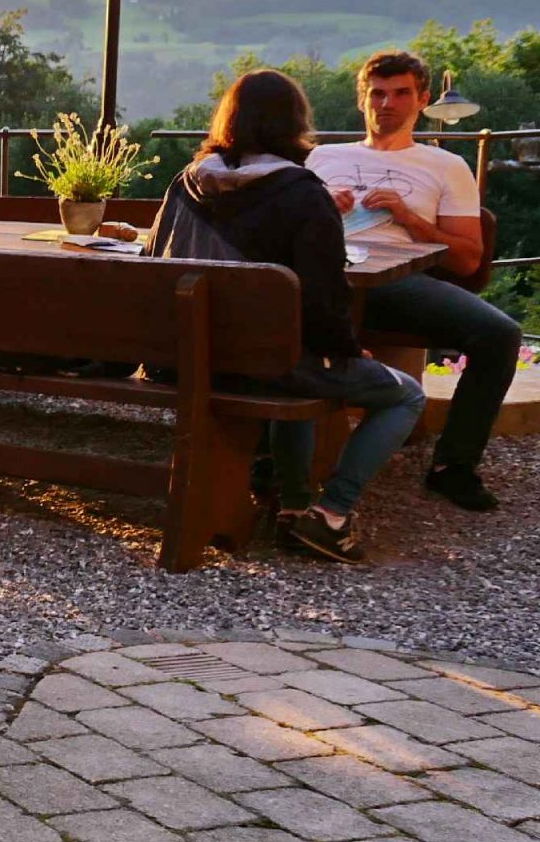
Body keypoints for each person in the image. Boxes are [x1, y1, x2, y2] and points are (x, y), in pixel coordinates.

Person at [145, 70, 425, 563]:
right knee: (404, 395)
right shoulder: (303, 193)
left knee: (296, 361)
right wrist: (346, 348)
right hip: (267, 363)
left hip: (183, 359)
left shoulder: (185, 184)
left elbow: (151, 266)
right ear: (295, 123)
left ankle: (294, 507)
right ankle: (331, 515)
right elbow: (322, 301)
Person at [307, 50, 516, 512]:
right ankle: (273, 459)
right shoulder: (323, 156)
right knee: (262, 300)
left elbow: (467, 259)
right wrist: (324, 211)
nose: (388, 104)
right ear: (363, 99)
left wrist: (408, 217)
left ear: (422, 99)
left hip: (396, 285)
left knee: (500, 334)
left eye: (401, 93)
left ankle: (453, 467)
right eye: (377, 94)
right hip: (323, 281)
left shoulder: (445, 166)